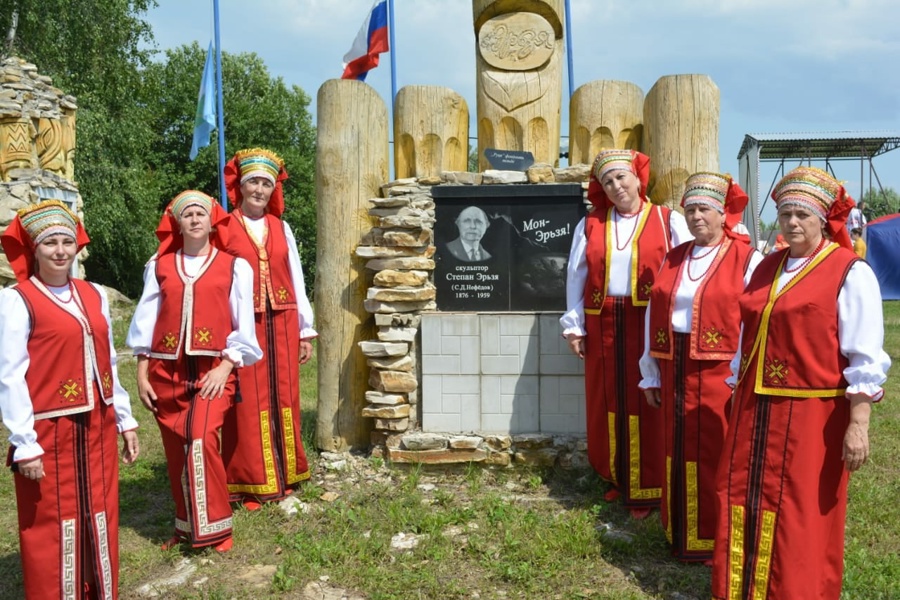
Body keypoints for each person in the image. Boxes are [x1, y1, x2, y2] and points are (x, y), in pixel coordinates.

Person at [711, 167, 891, 599]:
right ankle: (741, 588)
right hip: (755, 408)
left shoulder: (849, 271)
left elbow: (864, 355)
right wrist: (736, 386)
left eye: (802, 215)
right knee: (741, 495)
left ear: (823, 220)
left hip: (813, 415)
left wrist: (858, 423)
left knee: (799, 512)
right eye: (786, 213)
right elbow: (746, 332)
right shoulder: (767, 266)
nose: (792, 223)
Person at [0, 200, 139, 599]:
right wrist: (24, 443)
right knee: (50, 515)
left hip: (96, 420)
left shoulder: (92, 294)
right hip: (49, 425)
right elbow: (9, 374)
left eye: (66, 242)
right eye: (50, 244)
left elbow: (107, 360)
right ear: (34, 249)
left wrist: (124, 419)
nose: (60, 251)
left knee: (99, 505)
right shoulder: (17, 299)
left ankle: (97, 588)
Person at [127, 190, 261, 552]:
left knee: (200, 440)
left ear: (212, 220)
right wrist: (142, 374)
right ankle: (186, 525)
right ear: (178, 223)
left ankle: (217, 527)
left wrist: (226, 366)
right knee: (176, 450)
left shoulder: (235, 267)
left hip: (213, 371)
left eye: (201, 213)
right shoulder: (159, 266)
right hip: (165, 373)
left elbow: (243, 326)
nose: (195, 219)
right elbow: (145, 321)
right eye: (188, 215)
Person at [560, 148, 691, 518]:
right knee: (609, 399)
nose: (617, 186)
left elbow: (685, 272)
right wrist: (575, 325)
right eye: (608, 181)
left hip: (649, 322)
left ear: (637, 178)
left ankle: (650, 484)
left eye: (621, 177)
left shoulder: (668, 221)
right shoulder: (591, 224)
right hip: (603, 322)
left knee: (648, 400)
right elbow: (576, 276)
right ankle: (618, 477)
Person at [639, 173, 762, 562]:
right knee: (675, 447)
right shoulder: (675, 255)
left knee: (713, 448)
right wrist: (651, 369)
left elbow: (756, 318)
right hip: (674, 364)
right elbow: (654, 313)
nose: (695, 217)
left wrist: (742, 372)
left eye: (704, 209)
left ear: (722, 213)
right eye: (689, 210)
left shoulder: (747, 257)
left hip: (719, 370)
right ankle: (679, 530)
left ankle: (712, 536)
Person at [217, 148, 316, 509]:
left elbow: (296, 277)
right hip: (245, 323)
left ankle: (288, 472)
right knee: (248, 400)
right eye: (253, 182)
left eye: (265, 184)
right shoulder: (224, 227)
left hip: (283, 319)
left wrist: (304, 329)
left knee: (284, 393)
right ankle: (251, 481)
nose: (259, 189)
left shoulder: (281, 227)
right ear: (240, 187)